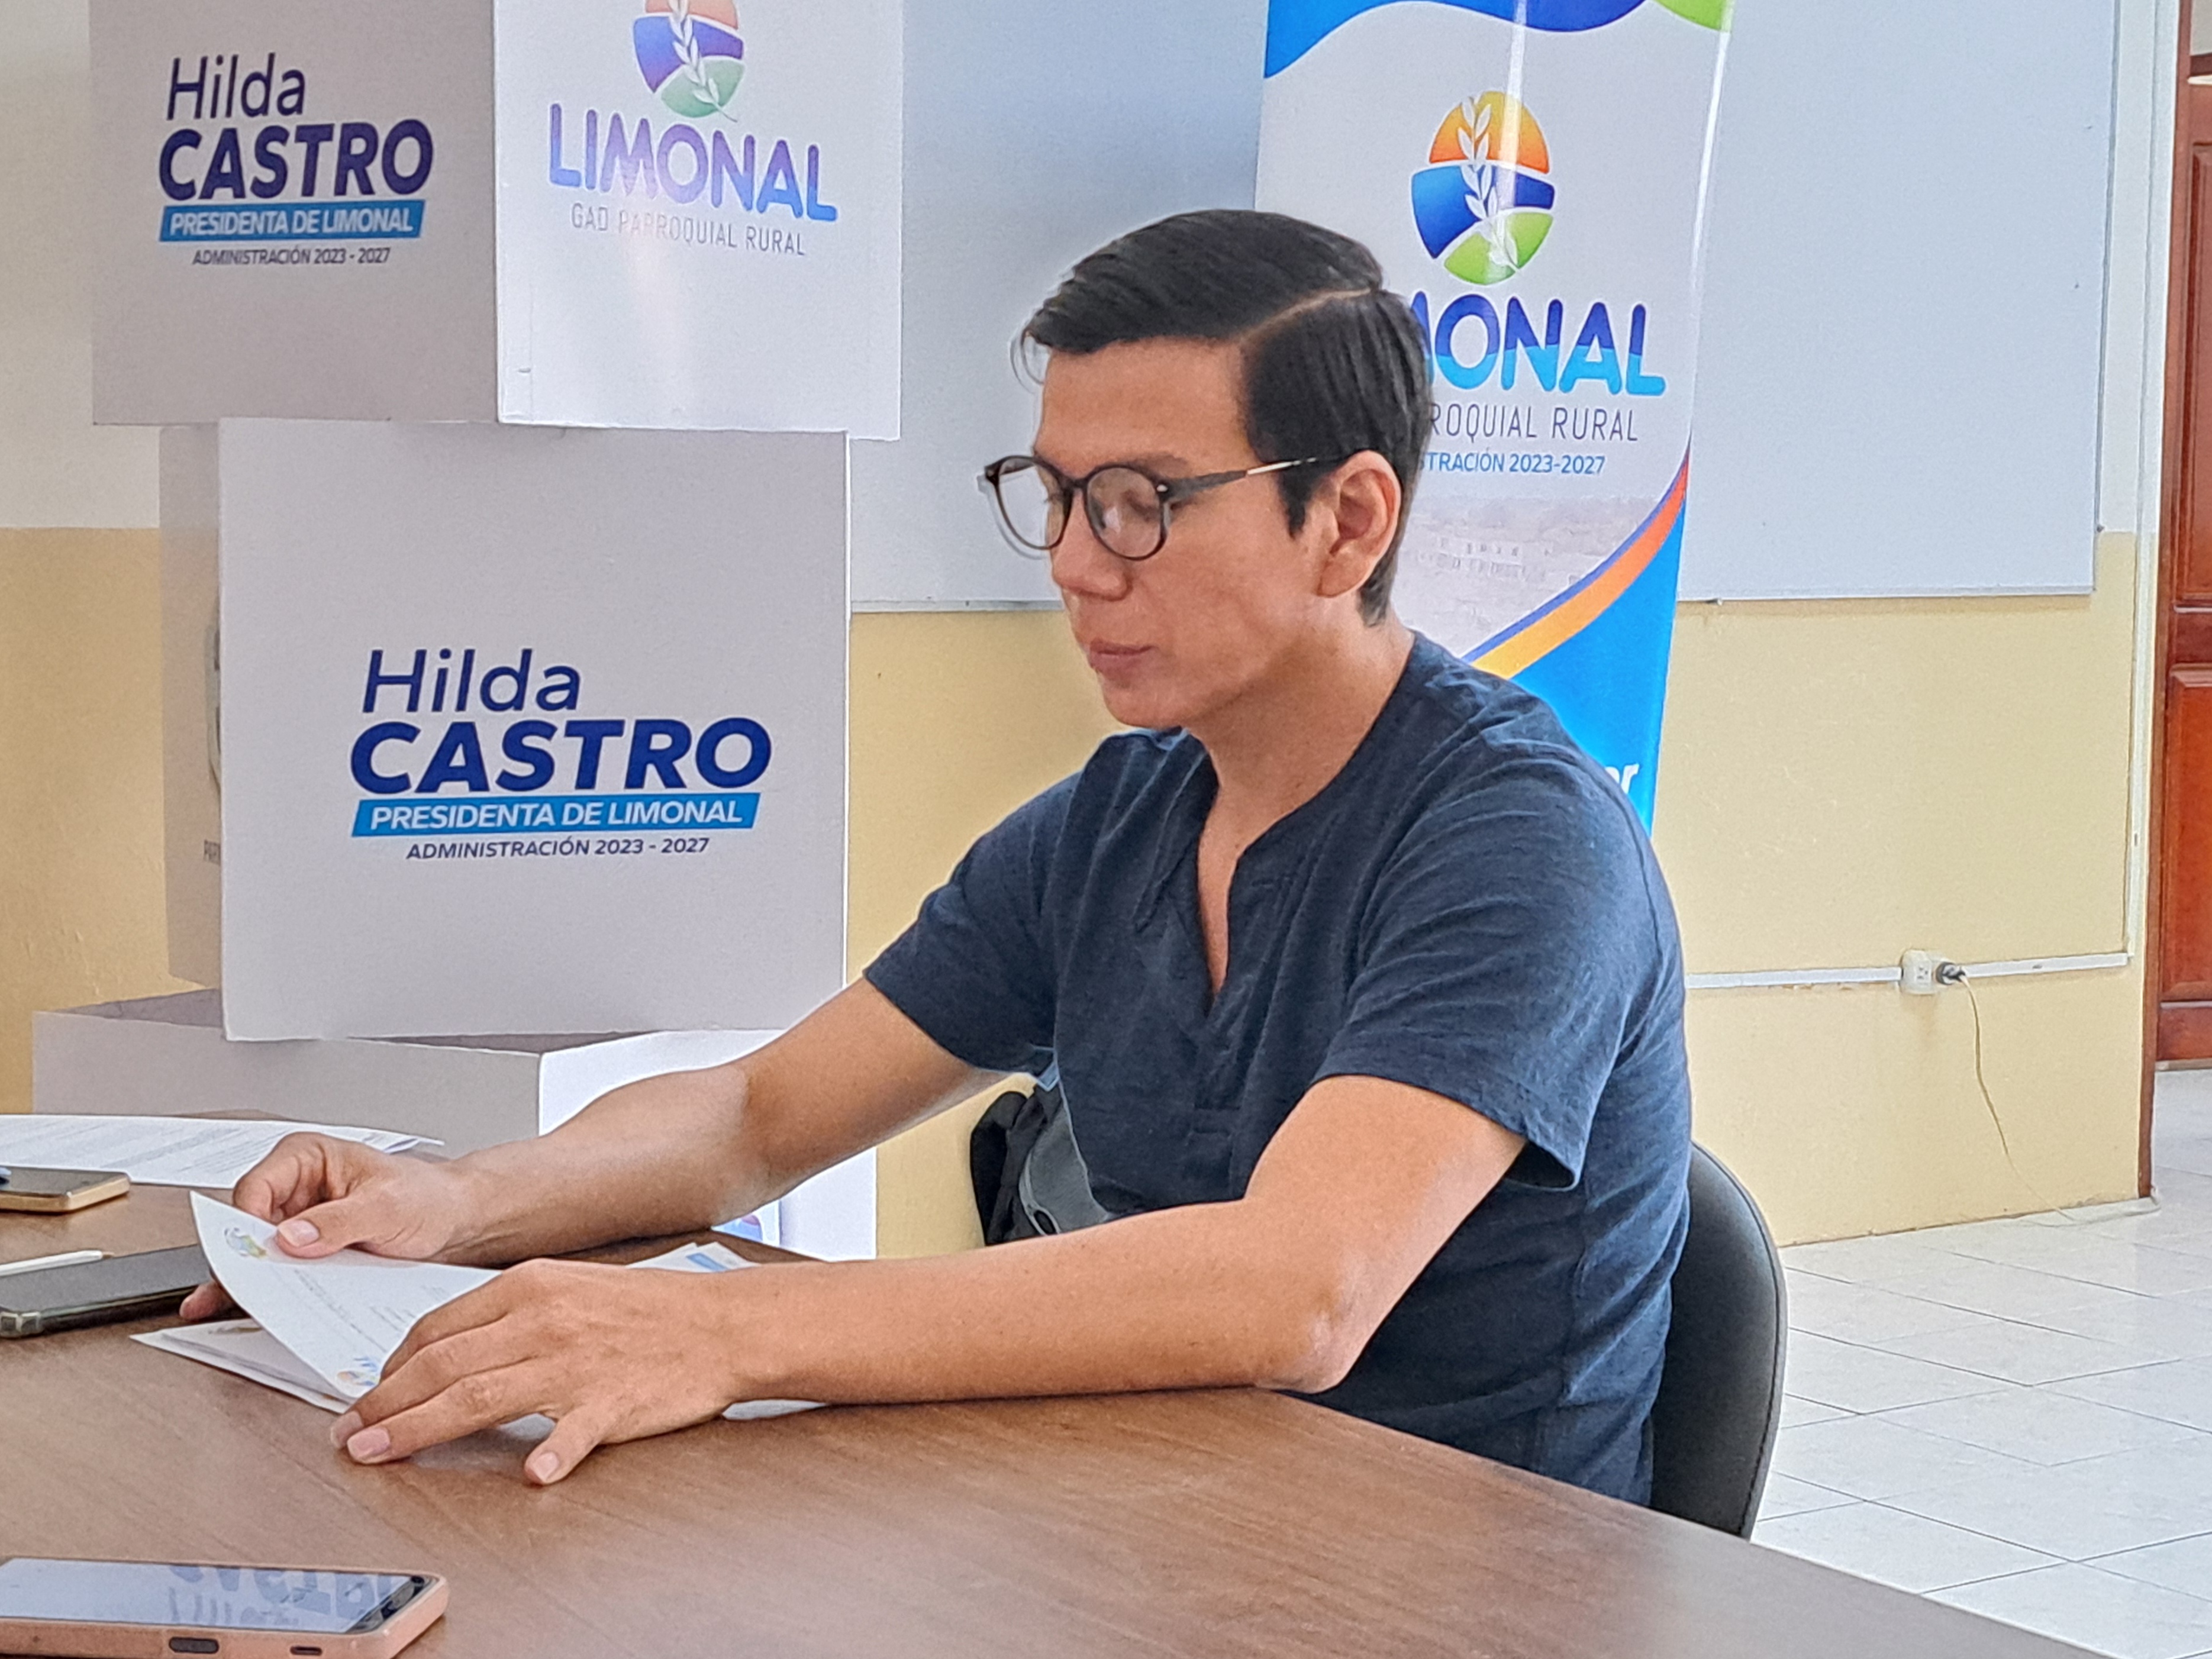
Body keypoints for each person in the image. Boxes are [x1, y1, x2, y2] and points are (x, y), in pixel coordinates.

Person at [185, 209, 1691, 1502]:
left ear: (1348, 521)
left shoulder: (1519, 837)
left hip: (1458, 1578)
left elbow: (1300, 1288)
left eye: (1145, 505)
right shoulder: (1118, 821)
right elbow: (759, 1115)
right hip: (1165, 1520)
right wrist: (455, 1201)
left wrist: (726, 1333)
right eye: (1057, 496)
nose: (1078, 565)